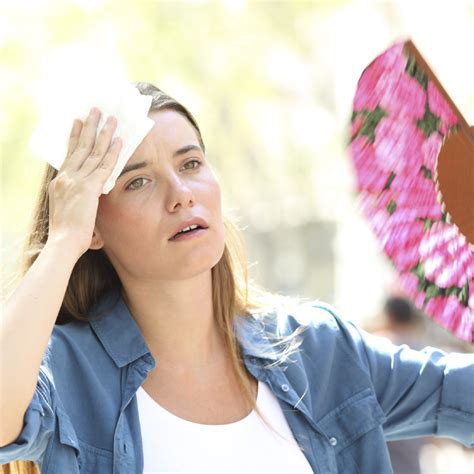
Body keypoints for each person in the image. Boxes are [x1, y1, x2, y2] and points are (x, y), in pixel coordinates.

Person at [0, 83, 472, 474]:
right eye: (137, 181)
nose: (182, 194)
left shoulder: (320, 351)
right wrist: (63, 240)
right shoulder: (67, 374)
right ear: (93, 225)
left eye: (190, 164)